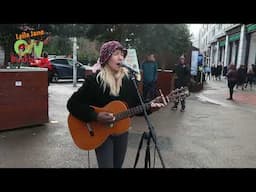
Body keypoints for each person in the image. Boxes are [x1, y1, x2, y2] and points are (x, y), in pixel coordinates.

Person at [66, 41, 165, 168]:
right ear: (106, 58)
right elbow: (72, 104)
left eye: (122, 54)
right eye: (116, 54)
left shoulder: (129, 81)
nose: (121, 57)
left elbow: (138, 107)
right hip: (100, 132)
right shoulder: (95, 81)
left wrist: (152, 107)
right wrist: (95, 116)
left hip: (121, 133)